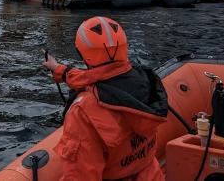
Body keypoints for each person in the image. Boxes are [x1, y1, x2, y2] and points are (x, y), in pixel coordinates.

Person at [43, 17, 168, 181]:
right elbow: (104, 74)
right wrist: (61, 70)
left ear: (83, 53)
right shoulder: (146, 80)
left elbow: (81, 175)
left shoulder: (84, 112)